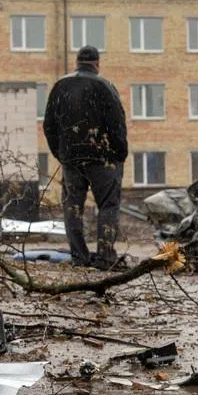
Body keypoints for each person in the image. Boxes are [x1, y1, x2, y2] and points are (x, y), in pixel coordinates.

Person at [43, 45, 128, 270]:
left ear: (76, 62)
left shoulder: (60, 86)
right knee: (108, 206)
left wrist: (61, 154)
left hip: (72, 160)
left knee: (73, 208)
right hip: (103, 159)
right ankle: (105, 257)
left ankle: (79, 257)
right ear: (97, 64)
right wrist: (119, 155)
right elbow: (117, 124)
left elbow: (49, 125)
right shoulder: (105, 86)